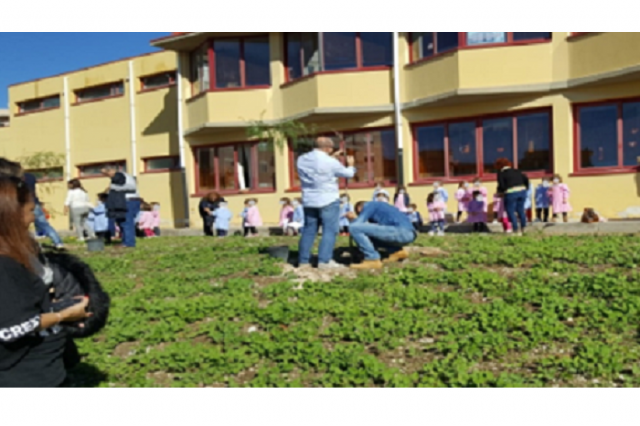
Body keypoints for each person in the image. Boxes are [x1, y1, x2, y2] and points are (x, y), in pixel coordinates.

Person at [0, 176, 91, 387]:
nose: (33, 218)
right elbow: (13, 328)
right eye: (31, 211)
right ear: (10, 215)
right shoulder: (5, 265)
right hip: (26, 375)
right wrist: (64, 314)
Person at [297, 137, 356, 269]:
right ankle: (324, 261)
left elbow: (320, 166)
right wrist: (351, 165)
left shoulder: (301, 159)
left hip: (309, 199)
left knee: (309, 231)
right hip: (328, 199)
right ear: (328, 148)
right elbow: (347, 174)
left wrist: (333, 156)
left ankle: (303, 261)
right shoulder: (330, 162)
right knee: (329, 230)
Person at [346, 201, 417, 270]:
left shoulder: (370, 205)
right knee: (371, 235)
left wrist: (353, 219)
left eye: (360, 213)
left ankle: (371, 259)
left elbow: (357, 225)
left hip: (400, 231)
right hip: (410, 234)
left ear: (359, 208)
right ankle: (397, 251)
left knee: (353, 227)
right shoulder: (382, 207)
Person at [23, 171, 64, 249]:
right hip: (35, 203)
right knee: (45, 225)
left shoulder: (17, 179)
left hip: (25, 204)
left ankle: (26, 245)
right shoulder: (30, 177)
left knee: (21, 226)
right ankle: (58, 242)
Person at [102, 166, 140, 248]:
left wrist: (113, 187)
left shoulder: (119, 176)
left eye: (106, 173)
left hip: (128, 201)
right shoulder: (127, 177)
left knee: (126, 222)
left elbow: (124, 184)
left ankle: (129, 243)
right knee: (123, 222)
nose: (106, 175)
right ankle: (125, 241)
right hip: (131, 200)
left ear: (112, 170)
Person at [496, 158, 530, 236]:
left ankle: (515, 229)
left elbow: (501, 185)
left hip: (511, 193)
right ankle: (524, 227)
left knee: (510, 211)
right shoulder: (517, 171)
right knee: (520, 210)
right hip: (522, 191)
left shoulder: (501, 173)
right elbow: (525, 179)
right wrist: (526, 187)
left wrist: (500, 192)